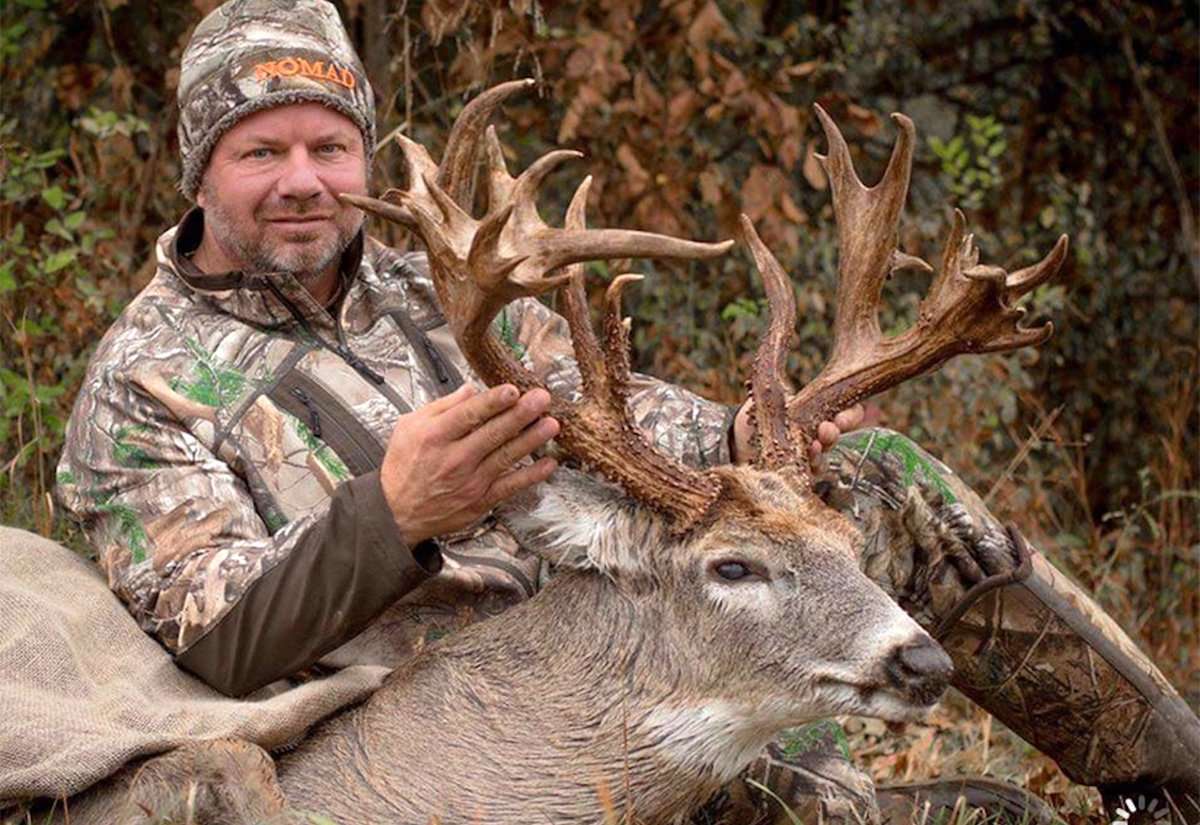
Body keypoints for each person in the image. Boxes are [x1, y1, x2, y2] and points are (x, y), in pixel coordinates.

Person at [54, 0, 1199, 822]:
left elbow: (626, 425)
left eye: (329, 145)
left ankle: (1162, 773)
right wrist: (392, 516)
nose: (302, 178)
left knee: (878, 475)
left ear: (365, 155)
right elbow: (216, 642)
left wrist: (758, 446)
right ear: (198, 170)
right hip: (424, 726)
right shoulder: (143, 382)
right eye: (261, 150)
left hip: (627, 628)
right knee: (822, 807)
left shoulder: (443, 288)